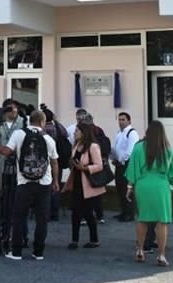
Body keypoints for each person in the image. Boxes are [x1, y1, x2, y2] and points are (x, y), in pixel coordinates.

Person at [125, 121, 173, 267]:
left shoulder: (138, 148)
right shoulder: (166, 149)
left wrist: (129, 187)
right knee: (162, 222)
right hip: (160, 187)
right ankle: (161, 255)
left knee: (142, 219)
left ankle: (140, 250)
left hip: (142, 186)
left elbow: (132, 169)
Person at [0, 109, 59, 260]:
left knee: (19, 217)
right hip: (44, 182)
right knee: (42, 219)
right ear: (42, 122)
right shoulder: (48, 139)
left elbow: (6, 151)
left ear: (30, 121)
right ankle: (38, 252)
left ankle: (16, 251)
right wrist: (56, 181)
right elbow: (55, 162)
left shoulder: (19, 134)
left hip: (24, 182)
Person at [65, 122, 103, 250]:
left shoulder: (93, 146)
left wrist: (85, 168)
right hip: (76, 182)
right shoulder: (76, 145)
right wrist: (72, 163)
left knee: (88, 212)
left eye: (77, 131)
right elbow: (74, 160)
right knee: (75, 212)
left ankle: (94, 239)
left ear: (84, 132)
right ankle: (74, 240)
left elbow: (99, 165)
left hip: (87, 184)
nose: (75, 133)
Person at [0, 99, 27, 252]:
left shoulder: (23, 123)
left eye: (15, 109)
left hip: (18, 169)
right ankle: (2, 233)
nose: (12, 112)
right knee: (3, 203)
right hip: (2, 167)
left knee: (19, 203)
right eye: (9, 109)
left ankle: (21, 235)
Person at [42, 107, 70, 222]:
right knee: (56, 185)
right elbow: (66, 134)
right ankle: (55, 213)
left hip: (45, 161)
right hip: (58, 160)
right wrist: (56, 120)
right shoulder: (57, 127)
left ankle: (46, 213)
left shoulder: (43, 130)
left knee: (46, 187)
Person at [111, 111, 139, 222]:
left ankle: (130, 213)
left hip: (127, 164)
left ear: (129, 121)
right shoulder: (119, 133)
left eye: (123, 120)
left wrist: (120, 160)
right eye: (119, 119)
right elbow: (116, 148)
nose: (121, 122)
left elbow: (130, 151)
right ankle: (123, 211)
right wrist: (114, 158)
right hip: (119, 164)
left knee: (127, 189)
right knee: (120, 188)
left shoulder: (132, 133)